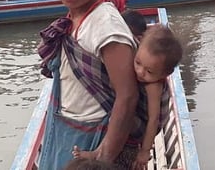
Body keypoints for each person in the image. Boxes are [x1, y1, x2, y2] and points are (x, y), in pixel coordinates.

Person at [35, 0, 140, 169]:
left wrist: (104, 157)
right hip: (65, 128)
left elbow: (127, 95)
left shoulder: (106, 26)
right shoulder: (75, 17)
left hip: (94, 135)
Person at [74, 24, 183, 169]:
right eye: (138, 63)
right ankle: (98, 152)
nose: (140, 72)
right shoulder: (138, 55)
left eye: (149, 71)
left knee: (121, 110)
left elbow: (153, 119)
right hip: (136, 118)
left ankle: (100, 154)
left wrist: (145, 151)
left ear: (165, 74)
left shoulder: (154, 86)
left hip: (141, 128)